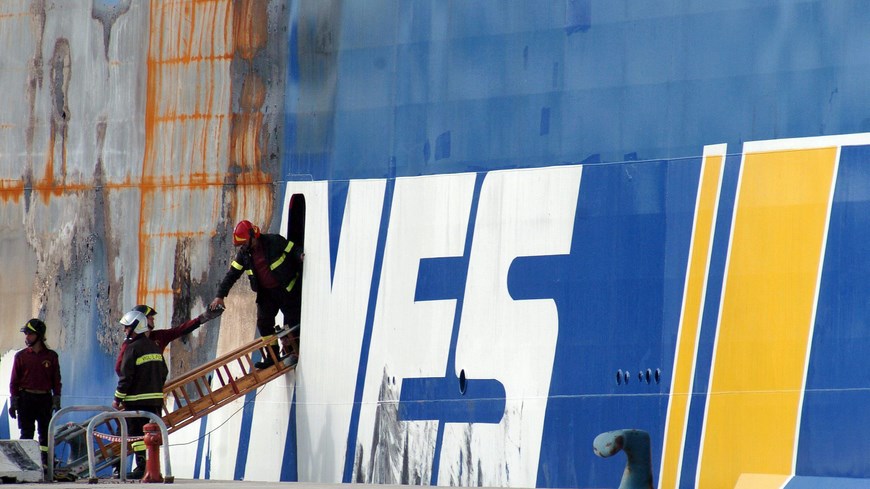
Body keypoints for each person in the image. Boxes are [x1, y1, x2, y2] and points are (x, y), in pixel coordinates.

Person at [210, 220, 302, 369]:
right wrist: (220, 296)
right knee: (264, 323)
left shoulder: (274, 240)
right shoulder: (244, 255)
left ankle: (296, 350)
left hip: (286, 289)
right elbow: (232, 275)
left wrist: (300, 256)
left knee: (293, 318)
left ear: (254, 235)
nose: (243, 246)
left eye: (245, 242)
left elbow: (293, 249)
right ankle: (272, 356)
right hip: (266, 294)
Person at [113, 309, 168, 479]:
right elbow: (164, 372)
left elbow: (126, 376)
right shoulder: (155, 347)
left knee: (137, 435)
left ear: (134, 326)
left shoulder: (132, 348)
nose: (124, 330)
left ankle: (142, 466)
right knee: (151, 433)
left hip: (136, 401)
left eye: (126, 327)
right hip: (155, 401)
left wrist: (118, 398)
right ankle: (150, 466)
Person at [114, 304, 223, 376]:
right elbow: (120, 369)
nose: (153, 319)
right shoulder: (129, 344)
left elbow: (181, 330)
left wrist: (205, 317)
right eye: (150, 317)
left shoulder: (159, 336)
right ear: (141, 320)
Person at [9, 318, 62, 468]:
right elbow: (14, 382)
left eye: (29, 334)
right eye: (26, 334)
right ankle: (25, 465)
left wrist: (56, 398)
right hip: (26, 398)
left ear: (39, 335)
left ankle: (46, 464)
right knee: (26, 433)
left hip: (44, 398)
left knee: (45, 434)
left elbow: (56, 380)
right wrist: (14, 402)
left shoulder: (51, 357)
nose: (26, 337)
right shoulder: (21, 356)